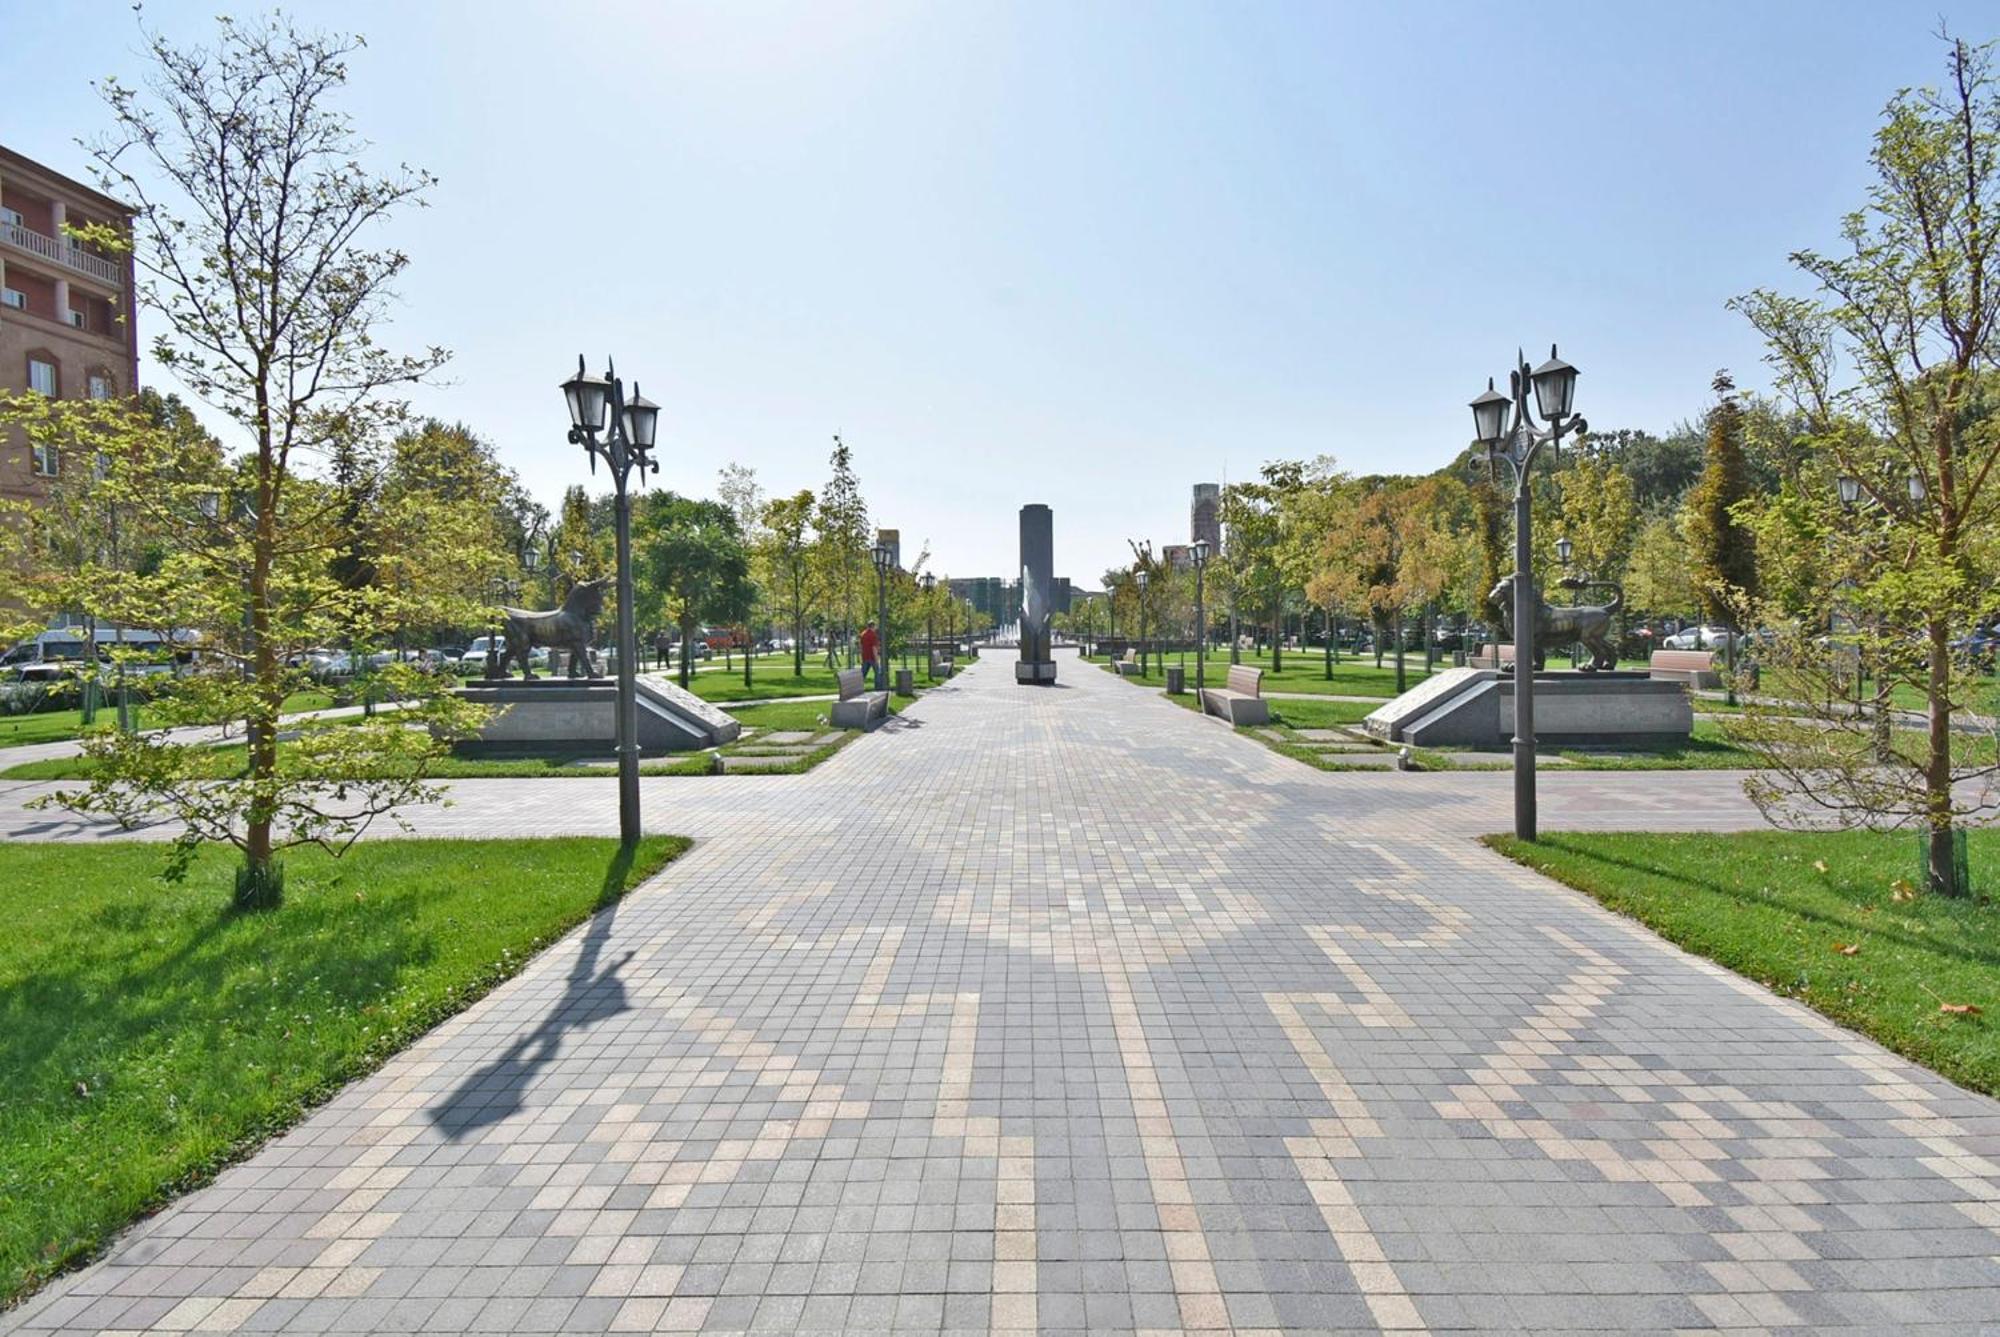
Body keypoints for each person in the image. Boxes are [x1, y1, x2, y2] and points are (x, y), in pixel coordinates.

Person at [859, 620, 881, 687]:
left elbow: (861, 646)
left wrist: (861, 657)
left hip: (865, 657)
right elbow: (874, 648)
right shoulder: (873, 635)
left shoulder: (863, 634)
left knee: (863, 674)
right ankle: (878, 687)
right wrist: (877, 659)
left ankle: (858, 687)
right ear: (873, 626)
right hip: (872, 657)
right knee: (877, 673)